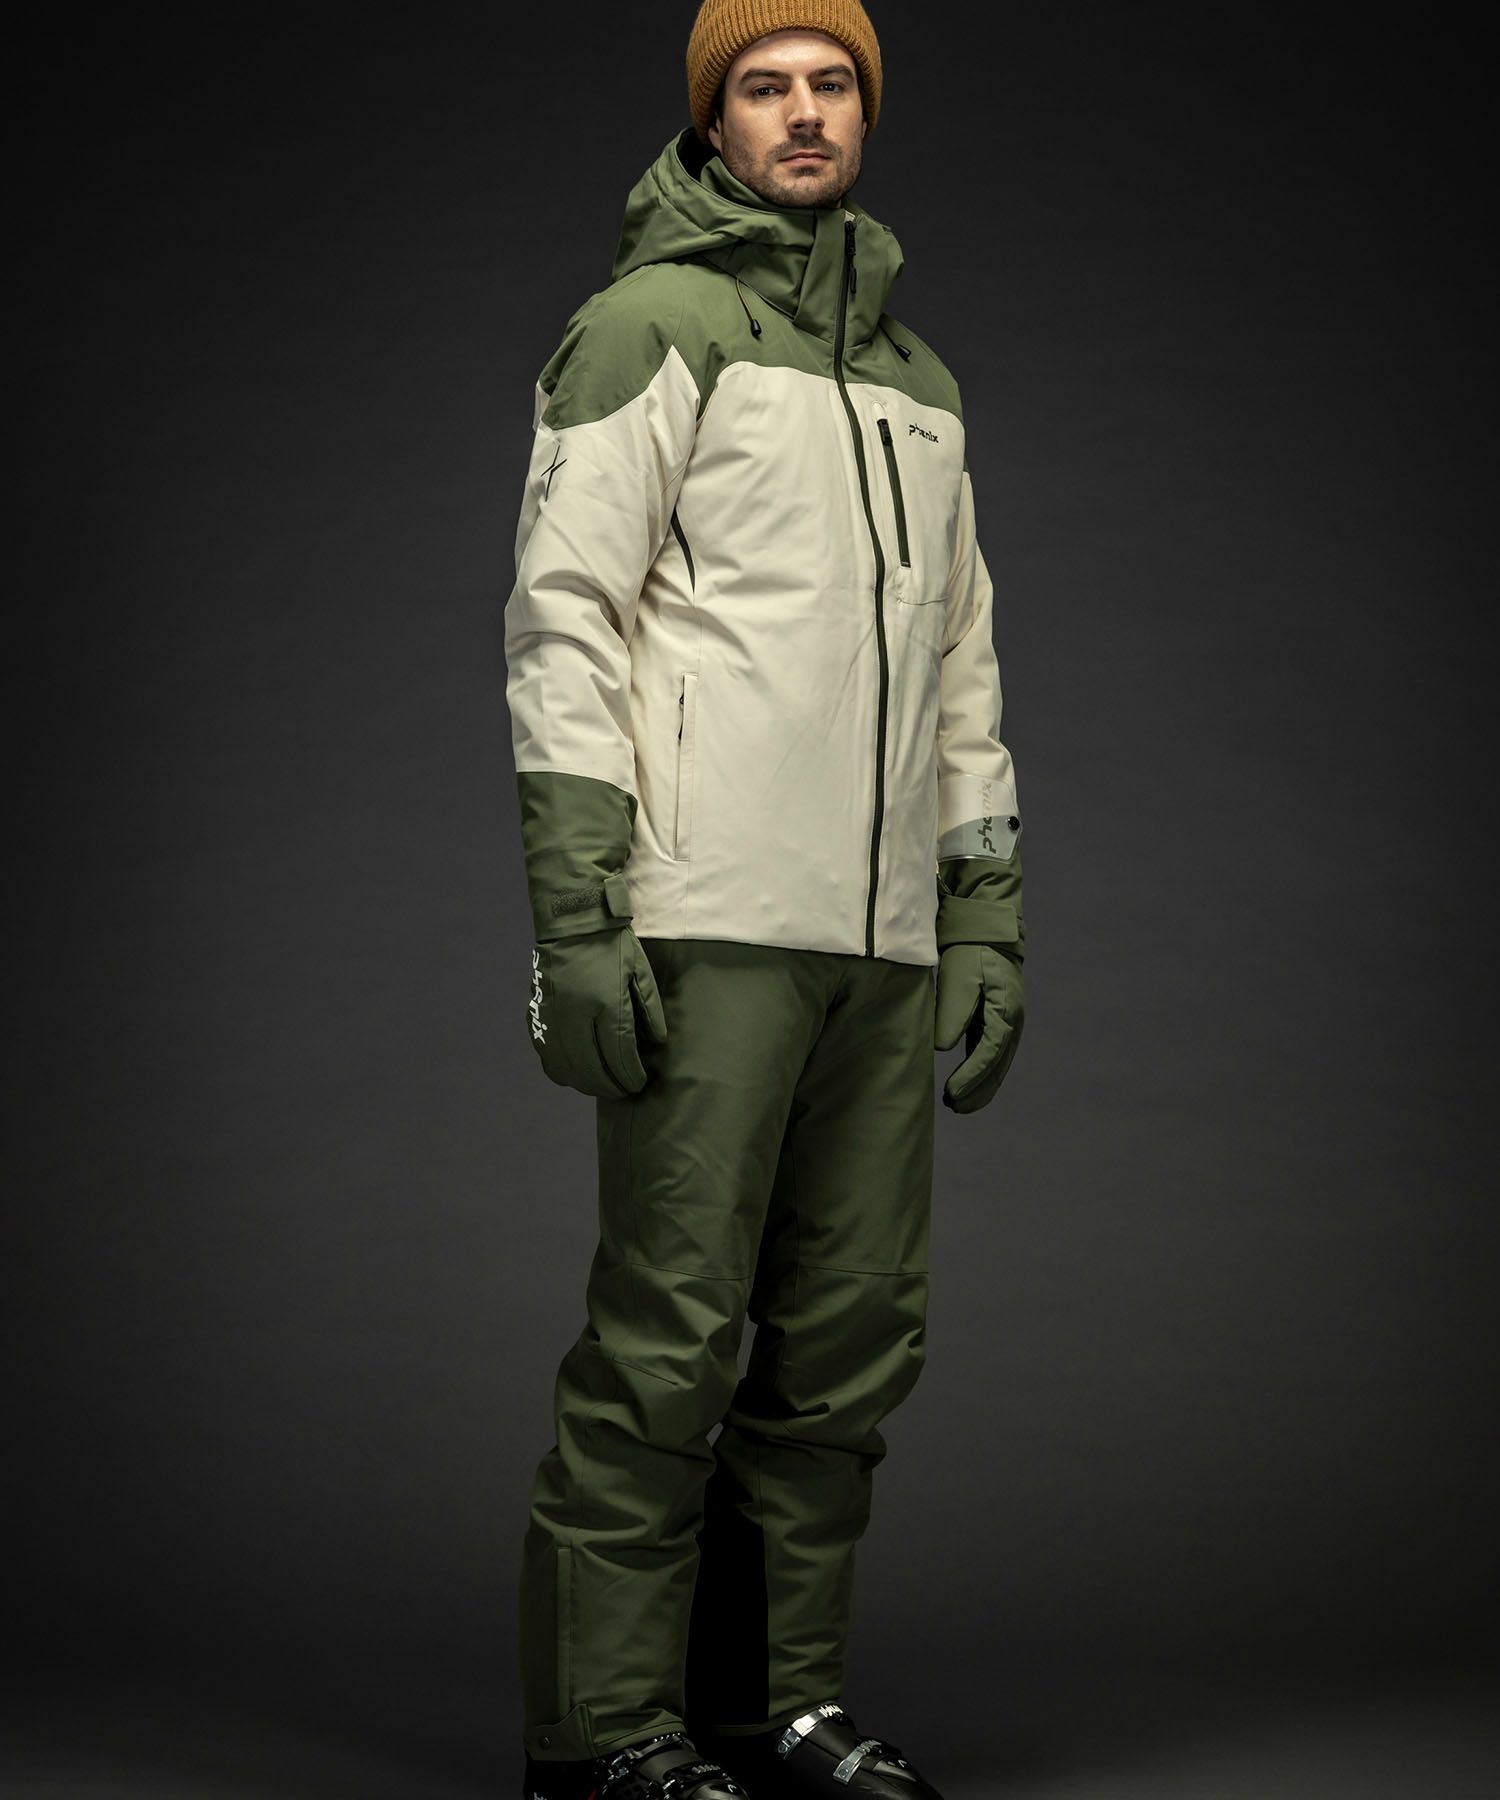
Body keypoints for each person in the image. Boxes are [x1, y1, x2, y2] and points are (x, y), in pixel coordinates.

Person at [503, 3, 1026, 1796]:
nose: (802, 113)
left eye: (831, 84)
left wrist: (983, 914)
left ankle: (768, 1704)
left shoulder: (921, 386)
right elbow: (563, 623)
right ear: (713, 118)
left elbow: (962, 668)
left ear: (865, 115)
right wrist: (582, 918)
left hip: (882, 944)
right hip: (709, 917)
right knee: (668, 1343)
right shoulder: (647, 327)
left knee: (850, 1343)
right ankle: (601, 1738)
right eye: (763, 83)